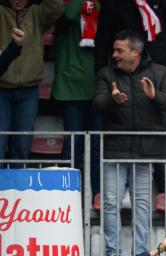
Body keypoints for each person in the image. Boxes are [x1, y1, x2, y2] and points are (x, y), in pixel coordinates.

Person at [95, 0, 166, 209]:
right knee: (129, 122)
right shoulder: (115, 4)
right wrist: (101, 74)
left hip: (160, 68)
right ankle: (128, 188)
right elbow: (104, 38)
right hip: (126, 71)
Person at [93, 30, 166, 256]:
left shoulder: (159, 72)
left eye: (119, 50)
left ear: (136, 52)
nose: (115, 55)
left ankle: (140, 254)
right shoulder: (106, 73)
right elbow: (98, 105)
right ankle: (113, 255)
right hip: (114, 150)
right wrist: (113, 100)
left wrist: (154, 96)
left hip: (145, 152)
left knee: (142, 206)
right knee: (110, 202)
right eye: (114, 50)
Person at [0, 0, 64, 163]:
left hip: (28, 90)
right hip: (1, 88)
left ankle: (18, 187)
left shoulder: (37, 12)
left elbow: (56, 7)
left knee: (22, 145)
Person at [52, 0, 101, 197]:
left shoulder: (99, 12)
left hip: (97, 86)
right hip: (71, 88)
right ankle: (68, 196)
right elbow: (67, 17)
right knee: (73, 144)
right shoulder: (67, 12)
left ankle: (97, 195)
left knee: (97, 145)